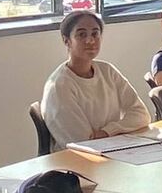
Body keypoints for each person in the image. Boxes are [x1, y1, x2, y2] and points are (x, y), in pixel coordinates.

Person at [40, 11, 152, 150]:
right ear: (66, 40)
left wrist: (108, 131)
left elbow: (141, 115)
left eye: (95, 34)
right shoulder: (59, 86)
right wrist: (117, 131)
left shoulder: (107, 71)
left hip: (112, 150)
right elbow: (84, 143)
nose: (90, 40)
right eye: (82, 35)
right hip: (76, 159)